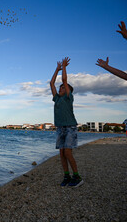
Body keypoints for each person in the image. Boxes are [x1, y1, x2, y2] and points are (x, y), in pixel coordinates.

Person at [50, 57, 84, 187]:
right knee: (61, 153)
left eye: (63, 88)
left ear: (68, 91)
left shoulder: (69, 98)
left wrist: (64, 67)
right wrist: (57, 69)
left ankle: (77, 177)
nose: (60, 89)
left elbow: (65, 80)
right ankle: (66, 176)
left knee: (67, 152)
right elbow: (51, 84)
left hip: (70, 128)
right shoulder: (57, 99)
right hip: (60, 128)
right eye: (60, 88)